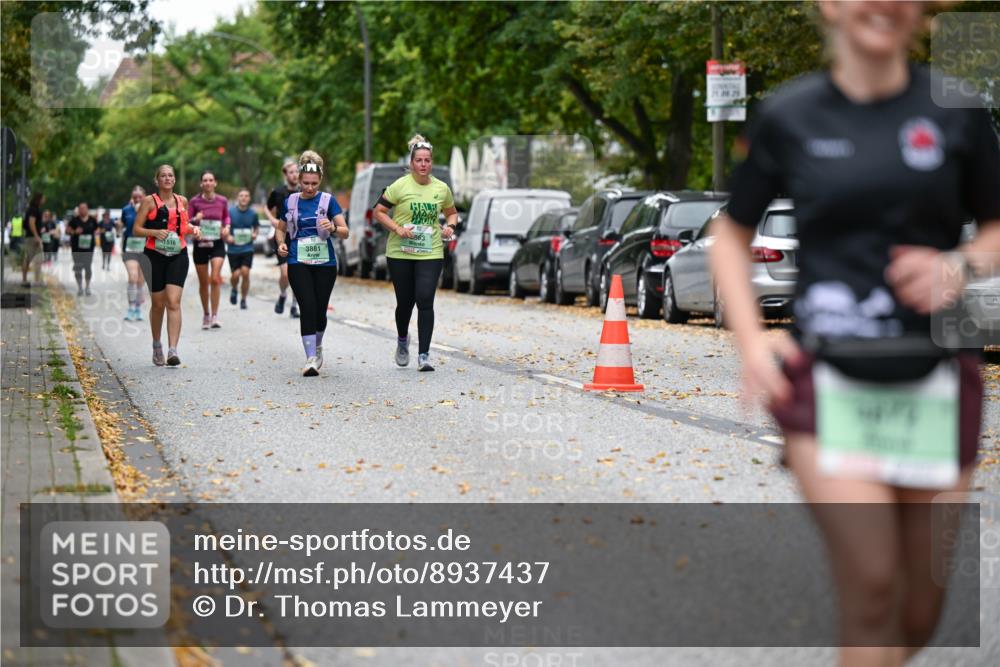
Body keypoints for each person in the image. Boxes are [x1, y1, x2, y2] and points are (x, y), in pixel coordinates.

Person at [709, 2, 1000, 664]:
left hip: (934, 372)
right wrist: (754, 344)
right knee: (872, 584)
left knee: (919, 605)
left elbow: (995, 225)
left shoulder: (955, 109)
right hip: (830, 374)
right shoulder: (790, 114)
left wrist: (959, 264)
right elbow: (729, 235)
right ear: (831, 6)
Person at [373, 134, 458, 371]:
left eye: (427, 160)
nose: (423, 164)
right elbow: (378, 212)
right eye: (419, 160)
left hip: (430, 251)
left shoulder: (441, 189)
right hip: (400, 252)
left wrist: (449, 227)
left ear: (431, 162)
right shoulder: (399, 186)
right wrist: (397, 228)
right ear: (411, 163)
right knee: (405, 303)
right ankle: (402, 340)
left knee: (425, 299)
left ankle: (424, 355)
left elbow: (452, 213)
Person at [275, 150, 348, 377]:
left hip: (325, 263)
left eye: (314, 184)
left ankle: (317, 346)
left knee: (319, 310)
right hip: (299, 260)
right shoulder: (290, 201)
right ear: (299, 180)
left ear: (320, 181)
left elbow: (345, 232)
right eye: (306, 183)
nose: (309, 188)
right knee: (307, 306)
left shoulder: (328, 201)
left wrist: (333, 228)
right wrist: (281, 244)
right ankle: (310, 359)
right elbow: (280, 228)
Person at [133, 164, 202, 366]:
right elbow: (137, 229)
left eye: (170, 175)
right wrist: (154, 233)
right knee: (158, 303)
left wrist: (194, 229)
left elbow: (183, 226)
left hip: (178, 254)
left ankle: (173, 350)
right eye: (163, 176)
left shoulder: (182, 201)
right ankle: (157, 345)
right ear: (157, 180)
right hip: (154, 255)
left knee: (173, 302)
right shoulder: (149, 202)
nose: (168, 178)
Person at [188, 170, 230, 329]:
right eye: (205, 180)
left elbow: (226, 217)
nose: (208, 183)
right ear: (201, 184)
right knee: (204, 282)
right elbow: (187, 222)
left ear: (215, 183)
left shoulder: (222, 200)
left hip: (217, 243)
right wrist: (195, 220)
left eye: (210, 180)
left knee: (214, 278)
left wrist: (227, 227)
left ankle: (215, 316)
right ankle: (206, 314)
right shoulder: (194, 202)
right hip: (201, 244)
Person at [267, 159, 300, 318]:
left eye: (296, 171)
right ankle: (282, 294)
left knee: (297, 273)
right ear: (286, 175)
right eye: (291, 172)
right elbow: (268, 208)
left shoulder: (303, 191)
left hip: (298, 237)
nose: (295, 175)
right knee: (285, 274)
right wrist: (273, 221)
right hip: (282, 237)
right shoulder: (278, 192)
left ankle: (294, 306)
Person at [226, 187, 258, 310]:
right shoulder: (230, 212)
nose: (244, 198)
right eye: (241, 196)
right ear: (237, 198)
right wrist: (227, 236)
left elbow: (256, 227)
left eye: (246, 196)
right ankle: (234, 288)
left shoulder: (253, 213)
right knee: (235, 275)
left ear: (249, 198)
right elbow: (226, 227)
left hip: (247, 248)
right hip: (233, 249)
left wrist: (255, 234)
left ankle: (243, 299)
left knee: (245, 272)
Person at [120, 186, 147, 321]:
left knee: (141, 281)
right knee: (133, 277)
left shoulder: (150, 210)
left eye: (139, 197)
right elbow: (124, 225)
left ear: (144, 197)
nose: (137, 199)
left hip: (145, 249)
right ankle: (130, 308)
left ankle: (138, 308)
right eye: (135, 197)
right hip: (130, 248)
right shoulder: (126, 210)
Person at [67, 202, 98, 296]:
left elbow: (97, 229)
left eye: (84, 208)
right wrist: (74, 231)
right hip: (77, 248)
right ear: (78, 210)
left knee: (88, 267)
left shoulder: (92, 220)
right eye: (81, 208)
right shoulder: (74, 220)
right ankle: (80, 287)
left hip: (89, 248)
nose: (82, 210)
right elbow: (67, 230)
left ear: (87, 209)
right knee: (78, 268)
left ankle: (87, 287)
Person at [20, 193, 44, 287]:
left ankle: (26, 279)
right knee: (36, 258)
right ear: (39, 199)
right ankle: (35, 280)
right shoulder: (33, 210)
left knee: (29, 258)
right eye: (43, 198)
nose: (44, 200)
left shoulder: (32, 209)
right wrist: (36, 236)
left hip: (31, 236)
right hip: (33, 237)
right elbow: (31, 223)